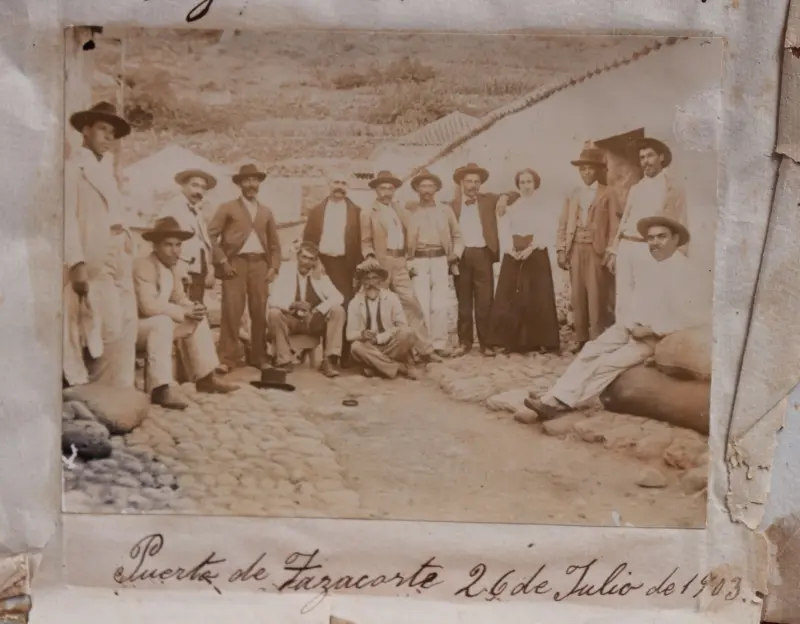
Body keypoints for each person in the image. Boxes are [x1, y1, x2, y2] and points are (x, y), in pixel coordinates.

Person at [521, 215, 705, 423]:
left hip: (655, 337)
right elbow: (638, 302)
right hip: (631, 327)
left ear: (675, 239)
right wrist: (629, 324)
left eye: (661, 237)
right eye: (651, 238)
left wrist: (651, 330)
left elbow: (694, 318)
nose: (655, 242)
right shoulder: (650, 264)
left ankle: (560, 403)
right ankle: (553, 395)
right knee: (591, 350)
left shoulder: (685, 272)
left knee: (608, 363)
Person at [63, 102, 138, 388]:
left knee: (117, 325)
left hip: (115, 257)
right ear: (86, 130)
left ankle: (115, 389)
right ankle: (88, 390)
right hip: (91, 258)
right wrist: (77, 263)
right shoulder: (74, 168)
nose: (108, 137)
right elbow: (68, 218)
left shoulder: (106, 170)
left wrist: (126, 240)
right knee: (86, 326)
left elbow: (116, 213)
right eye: (102, 129)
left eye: (113, 133)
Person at [133, 217, 238, 410]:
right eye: (168, 245)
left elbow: (179, 298)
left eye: (178, 245)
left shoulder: (172, 267)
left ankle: (206, 377)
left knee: (197, 317)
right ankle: (160, 388)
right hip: (136, 327)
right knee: (163, 322)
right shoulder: (143, 266)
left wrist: (193, 308)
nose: (175, 250)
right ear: (155, 246)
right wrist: (183, 312)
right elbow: (148, 306)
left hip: (159, 324)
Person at [206, 163, 282, 373]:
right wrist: (222, 260)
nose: (251, 184)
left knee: (259, 311)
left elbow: (275, 245)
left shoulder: (266, 212)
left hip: (260, 265)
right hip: (235, 264)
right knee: (232, 311)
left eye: (254, 180)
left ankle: (259, 356)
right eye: (247, 180)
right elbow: (210, 235)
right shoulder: (227, 208)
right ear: (240, 184)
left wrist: (274, 267)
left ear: (259, 183)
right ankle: (226, 358)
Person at [361, 170, 442, 364]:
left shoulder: (400, 210)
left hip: (400, 263)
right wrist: (370, 257)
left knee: (412, 305)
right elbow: (365, 241)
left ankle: (425, 350)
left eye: (390, 189)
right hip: (381, 264)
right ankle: (381, 354)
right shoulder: (368, 213)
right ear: (376, 190)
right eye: (383, 188)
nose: (386, 192)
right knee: (379, 308)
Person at [606, 137, 688, 326]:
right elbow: (625, 220)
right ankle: (624, 334)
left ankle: (642, 339)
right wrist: (615, 250)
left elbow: (681, 222)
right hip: (627, 246)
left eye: (650, 156)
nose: (645, 161)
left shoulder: (673, 188)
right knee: (623, 297)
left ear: (661, 157)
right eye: (642, 157)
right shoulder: (636, 188)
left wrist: (678, 256)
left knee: (646, 299)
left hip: (648, 248)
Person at [487, 168, 560, 354]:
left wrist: (530, 249)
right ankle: (510, 341)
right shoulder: (513, 206)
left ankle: (541, 341)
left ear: (535, 184)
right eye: (522, 182)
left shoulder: (543, 206)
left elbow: (547, 230)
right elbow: (505, 228)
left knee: (538, 297)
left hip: (535, 253)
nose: (526, 186)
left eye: (529, 182)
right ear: (518, 185)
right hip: (514, 255)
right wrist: (510, 249)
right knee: (511, 296)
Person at [557, 146, 619, 351]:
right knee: (577, 295)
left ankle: (597, 339)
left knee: (596, 295)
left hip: (596, 250)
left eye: (589, 169)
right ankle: (581, 338)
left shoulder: (608, 193)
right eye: (582, 169)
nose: (585, 173)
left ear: (597, 170)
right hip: (575, 248)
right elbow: (563, 223)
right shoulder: (573, 193)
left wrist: (611, 250)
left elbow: (614, 226)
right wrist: (561, 250)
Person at [448, 162, 511, 357]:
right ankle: (464, 343)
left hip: (483, 254)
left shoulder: (488, 200)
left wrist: (504, 198)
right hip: (461, 256)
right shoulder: (451, 206)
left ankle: (486, 343)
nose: (473, 185)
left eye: (476, 182)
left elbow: (514, 193)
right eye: (469, 181)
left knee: (485, 301)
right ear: (461, 183)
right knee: (464, 302)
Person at [303, 169, 364, 365]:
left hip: (346, 265)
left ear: (348, 187)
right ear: (328, 184)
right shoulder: (317, 211)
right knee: (321, 305)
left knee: (345, 306)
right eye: (336, 182)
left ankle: (342, 355)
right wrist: (315, 262)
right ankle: (323, 355)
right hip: (321, 264)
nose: (339, 187)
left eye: (343, 183)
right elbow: (308, 240)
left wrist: (357, 270)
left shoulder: (356, 212)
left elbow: (361, 242)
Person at [404, 169, 464, 358]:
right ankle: (423, 347)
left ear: (436, 189)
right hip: (418, 260)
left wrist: (455, 254)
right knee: (420, 304)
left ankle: (439, 344)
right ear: (417, 189)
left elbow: (457, 235)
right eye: (423, 186)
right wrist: (407, 261)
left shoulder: (445, 210)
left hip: (440, 260)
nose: (427, 190)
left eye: (431, 186)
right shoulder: (409, 211)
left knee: (440, 304)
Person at [267, 241, 345, 378]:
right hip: (291, 320)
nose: (306, 262)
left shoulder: (319, 275)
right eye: (304, 257)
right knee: (274, 313)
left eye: (311, 259)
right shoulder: (285, 272)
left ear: (315, 261)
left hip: (312, 321)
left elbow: (339, 297)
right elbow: (273, 300)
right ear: (297, 257)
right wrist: (292, 305)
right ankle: (284, 360)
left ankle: (328, 360)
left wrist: (317, 310)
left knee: (338, 310)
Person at [346, 260, 418, 380]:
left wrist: (381, 337)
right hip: (370, 347)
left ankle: (375, 366)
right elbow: (349, 335)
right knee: (356, 347)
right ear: (362, 282)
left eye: (374, 278)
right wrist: (362, 334)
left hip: (390, 343)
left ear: (380, 280)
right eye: (367, 279)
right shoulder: (355, 303)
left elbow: (402, 325)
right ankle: (399, 367)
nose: (371, 283)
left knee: (408, 333)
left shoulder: (391, 298)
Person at [157, 168, 217, 303]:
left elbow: (202, 241)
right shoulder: (172, 206)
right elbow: (161, 236)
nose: (199, 191)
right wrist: (173, 267)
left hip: (198, 267)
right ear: (183, 185)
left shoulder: (197, 210)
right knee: (181, 305)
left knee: (196, 306)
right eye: (194, 185)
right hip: (180, 267)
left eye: (203, 188)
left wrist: (209, 266)